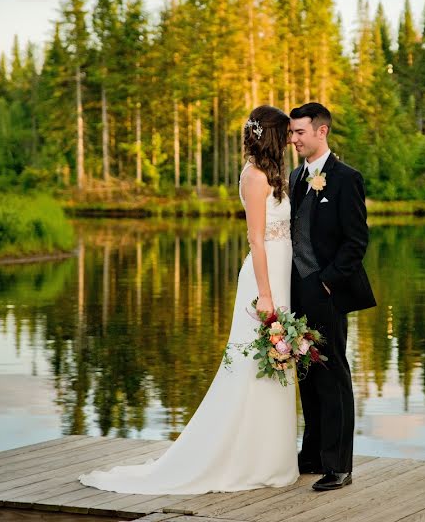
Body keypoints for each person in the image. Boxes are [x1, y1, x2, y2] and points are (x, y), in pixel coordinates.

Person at [78, 105, 298, 495]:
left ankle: (271, 457)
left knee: (277, 364)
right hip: (263, 280)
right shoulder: (253, 176)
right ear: (270, 136)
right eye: (284, 135)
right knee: (254, 362)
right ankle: (243, 458)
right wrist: (265, 294)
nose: (289, 141)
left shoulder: (274, 175)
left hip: (282, 274)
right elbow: (256, 239)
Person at [288, 102, 376, 491]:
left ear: (321, 132)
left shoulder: (346, 178)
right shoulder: (294, 177)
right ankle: (312, 455)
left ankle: (340, 465)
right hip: (296, 290)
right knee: (305, 371)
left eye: (299, 133)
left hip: (327, 290)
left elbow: (357, 241)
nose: (293, 140)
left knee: (333, 372)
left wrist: (327, 281)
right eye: (292, 133)